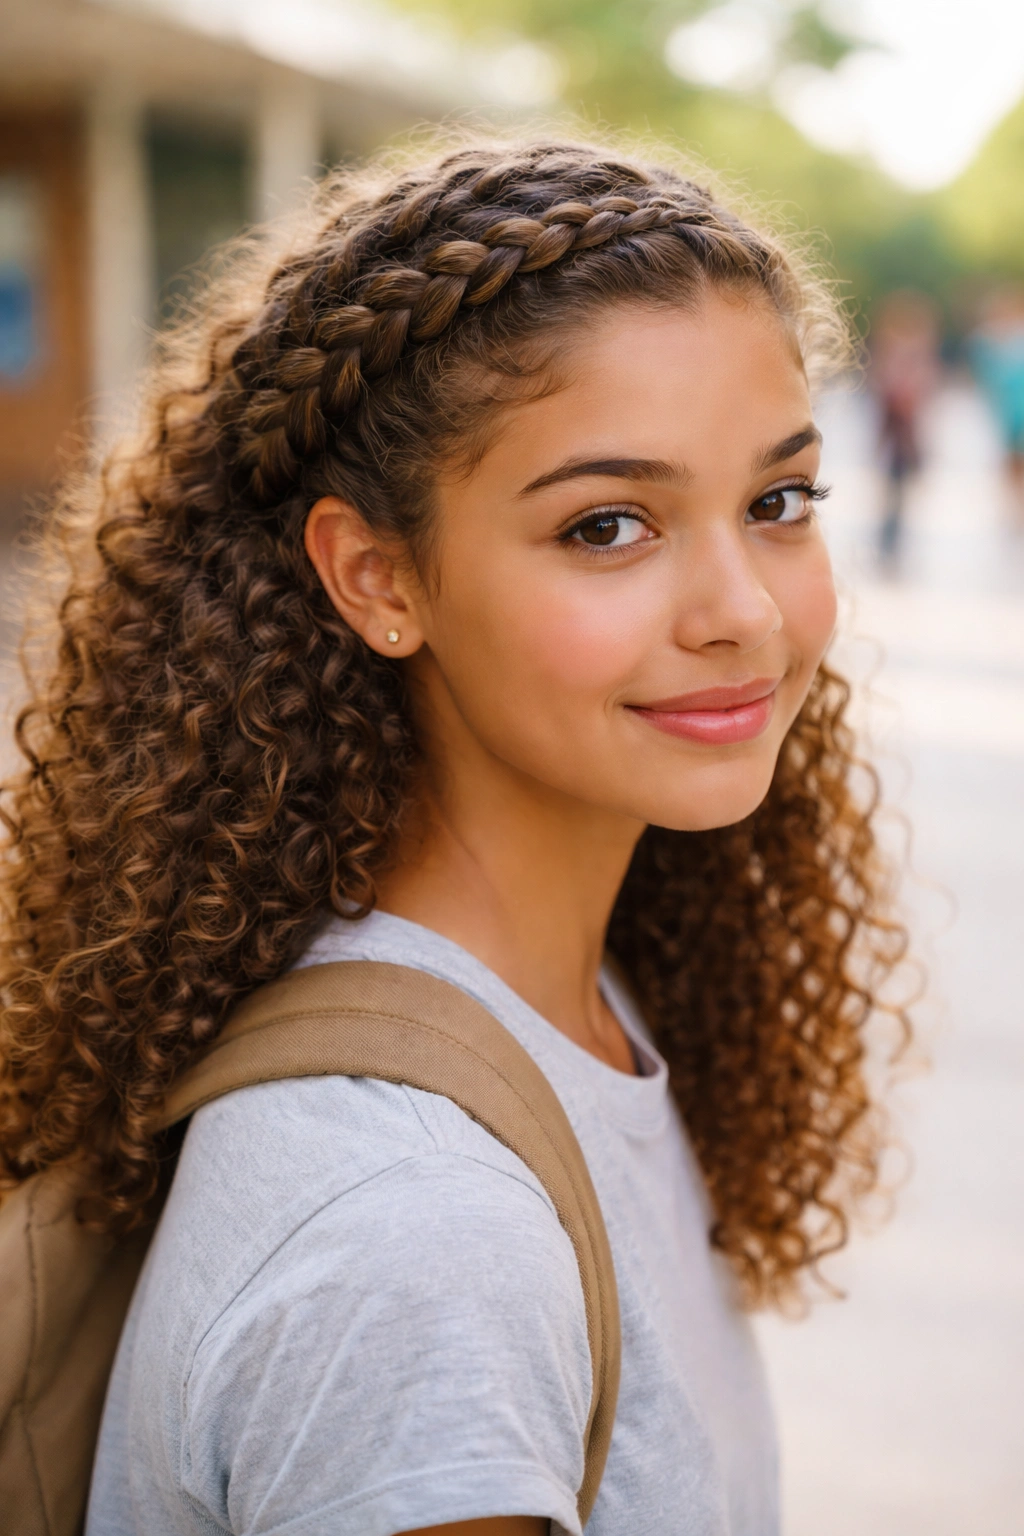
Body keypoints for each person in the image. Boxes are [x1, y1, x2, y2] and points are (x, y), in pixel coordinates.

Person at [0, 138, 906, 1535]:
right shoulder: (418, 1237)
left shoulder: (574, 1003)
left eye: (777, 502)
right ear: (376, 578)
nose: (746, 610)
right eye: (610, 525)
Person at [868, 289, 941, 567]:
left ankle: (891, 539)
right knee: (894, 487)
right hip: (899, 435)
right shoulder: (902, 360)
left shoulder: (905, 359)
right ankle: (890, 539)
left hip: (902, 435)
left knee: (897, 488)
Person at [969, 285, 1024, 522]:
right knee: (1011, 458)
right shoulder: (986, 341)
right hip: (1006, 410)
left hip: (1017, 408)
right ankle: (1015, 502)